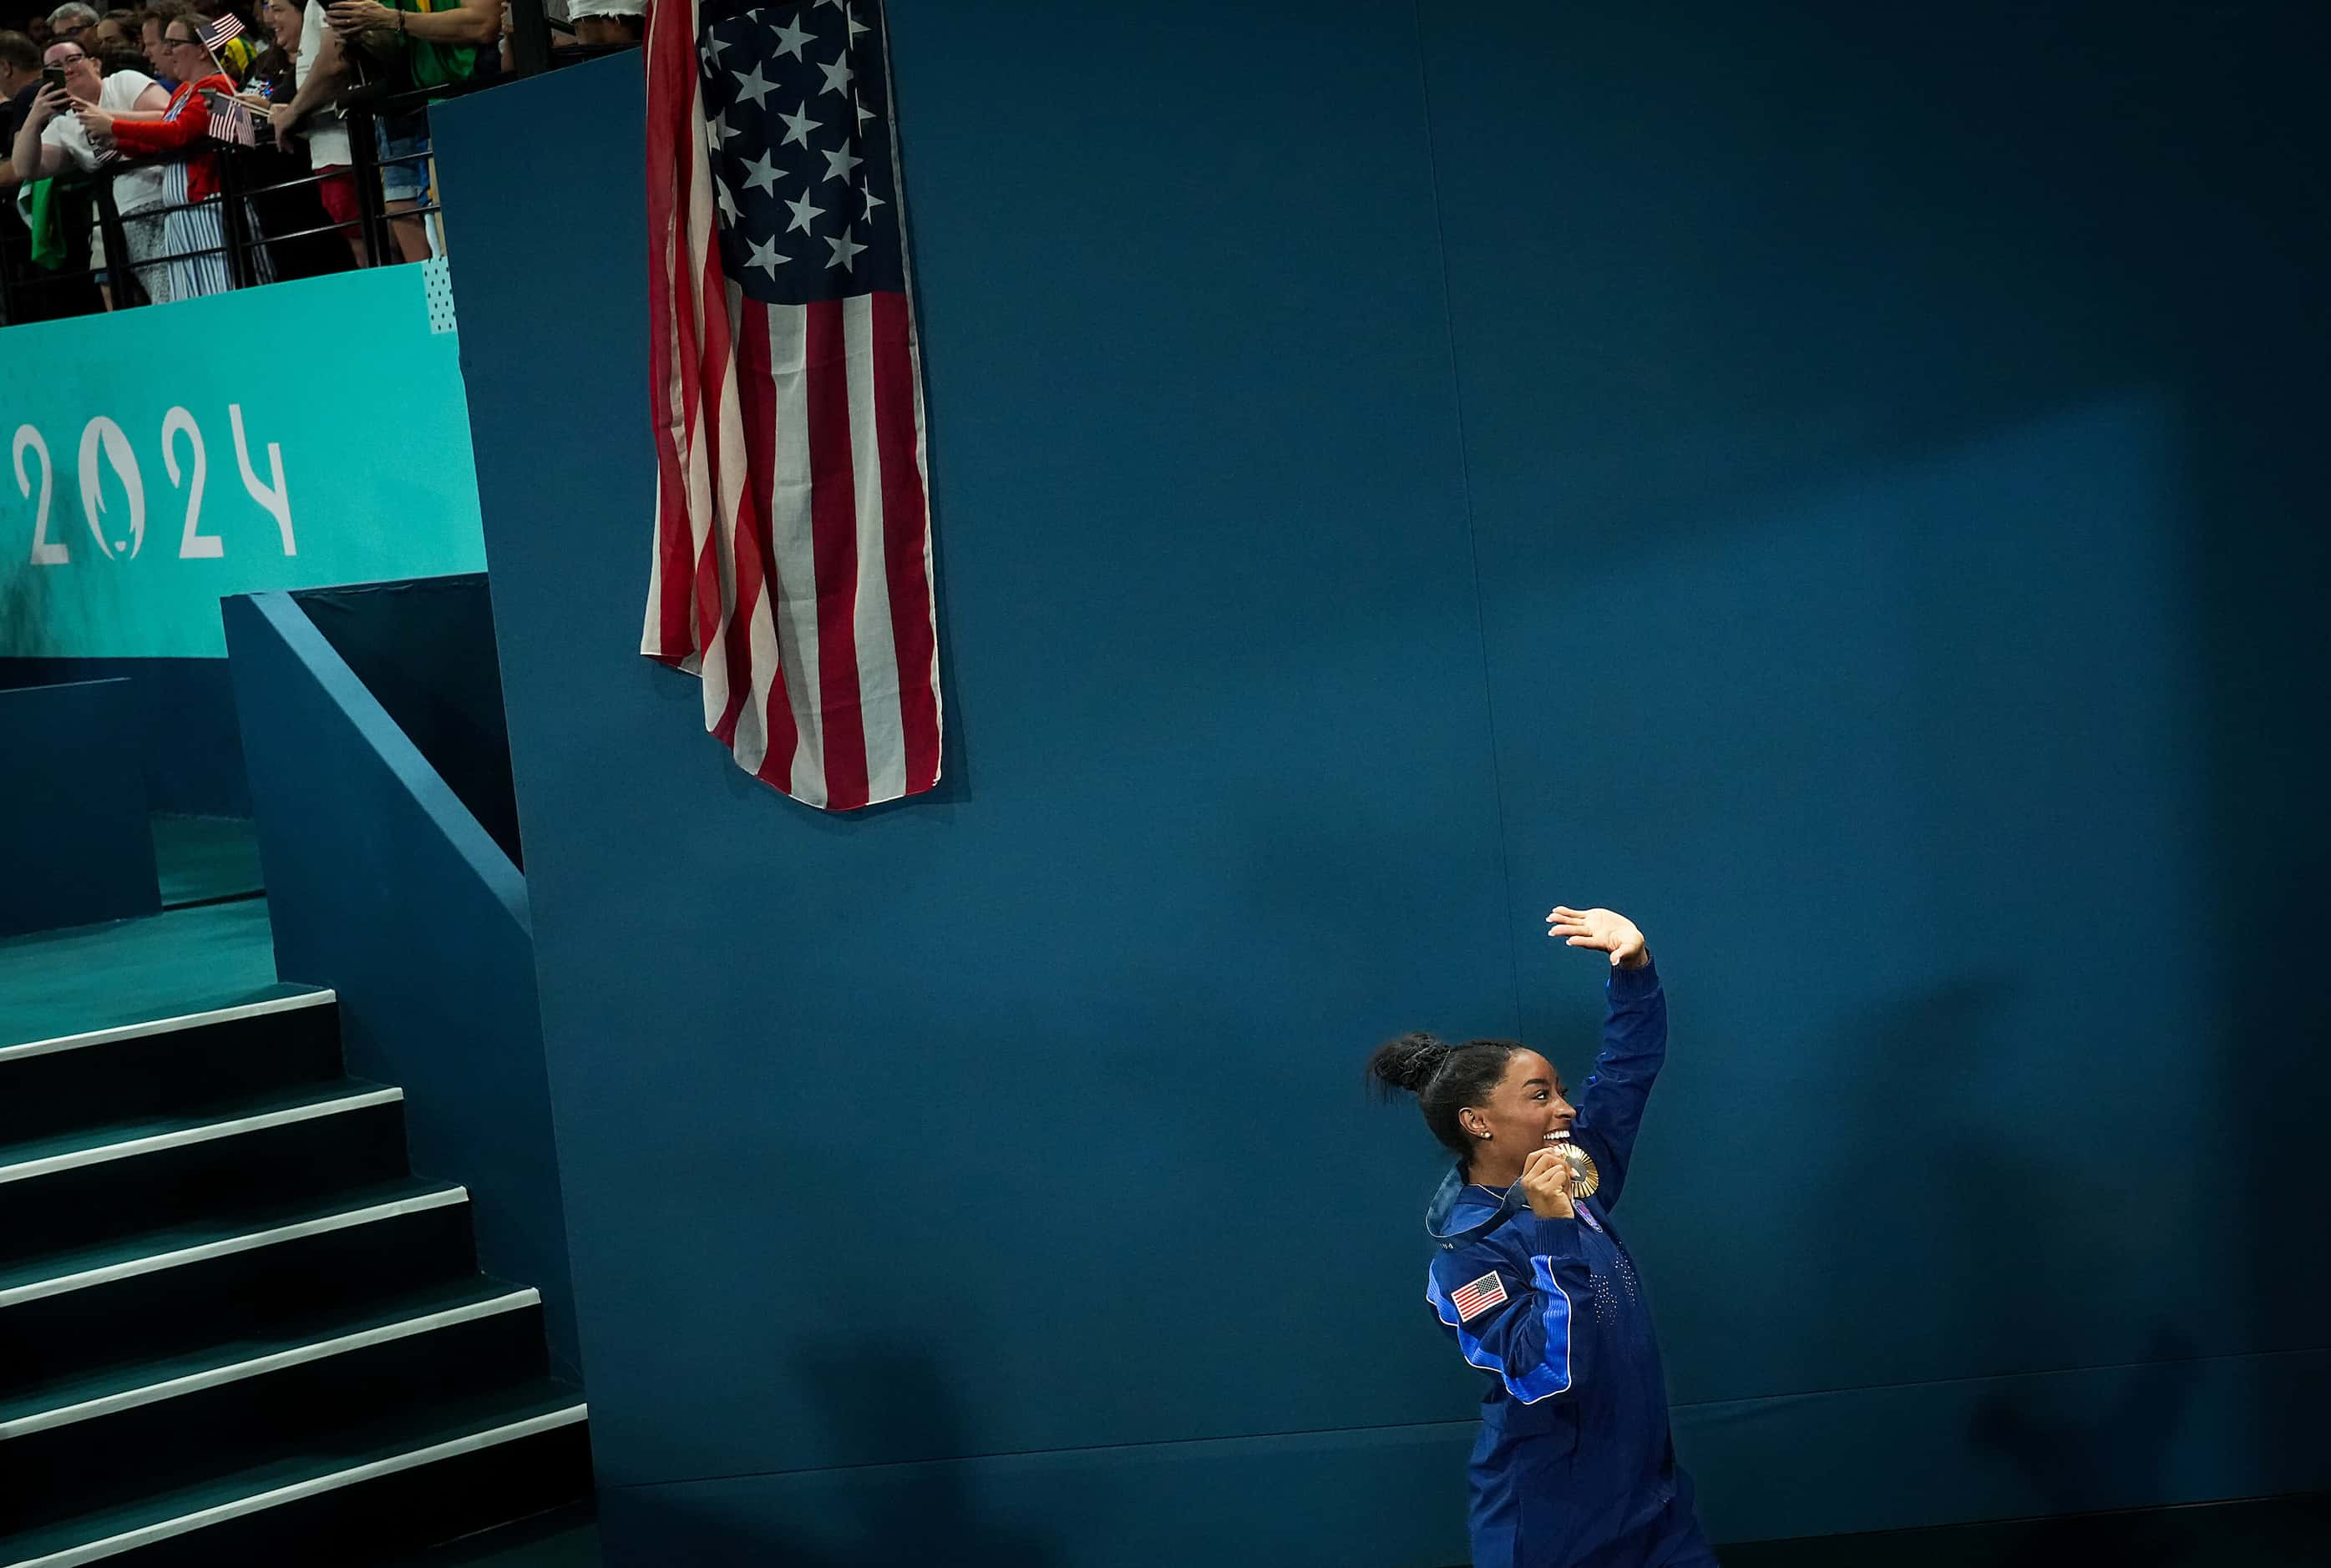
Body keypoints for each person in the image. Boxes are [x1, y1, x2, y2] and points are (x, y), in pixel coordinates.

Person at [1367, 904, 1718, 1568]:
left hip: (1655, 1505)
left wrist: (1634, 969)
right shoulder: (1467, 1255)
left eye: (1559, 1089)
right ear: (1478, 1121)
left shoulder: (1574, 1175)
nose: (1566, 1108)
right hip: (1552, 1525)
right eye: (1539, 1095)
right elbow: (1542, 1374)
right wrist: (1554, 1234)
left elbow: (1626, 1073)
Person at [77, 12, 266, 296]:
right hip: (183, 215)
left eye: (174, 43)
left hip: (212, 209)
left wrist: (114, 124)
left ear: (203, 49)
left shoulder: (217, 87)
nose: (166, 51)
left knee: (226, 289)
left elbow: (181, 132)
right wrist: (117, 141)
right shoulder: (181, 93)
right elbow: (162, 145)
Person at [322, 0, 498, 260]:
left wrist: (397, 19)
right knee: (445, 251)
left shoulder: (398, 13)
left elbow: (485, 23)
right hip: (431, 117)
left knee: (483, 238)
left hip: (477, 107)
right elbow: (398, 56)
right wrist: (365, 32)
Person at [8, 32, 171, 303]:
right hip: (125, 217)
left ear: (95, 63)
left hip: (170, 196)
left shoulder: (123, 82)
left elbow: (168, 117)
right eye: (57, 67)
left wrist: (108, 120)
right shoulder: (63, 123)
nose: (68, 69)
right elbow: (25, 168)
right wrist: (35, 117)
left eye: (73, 59)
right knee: (153, 294)